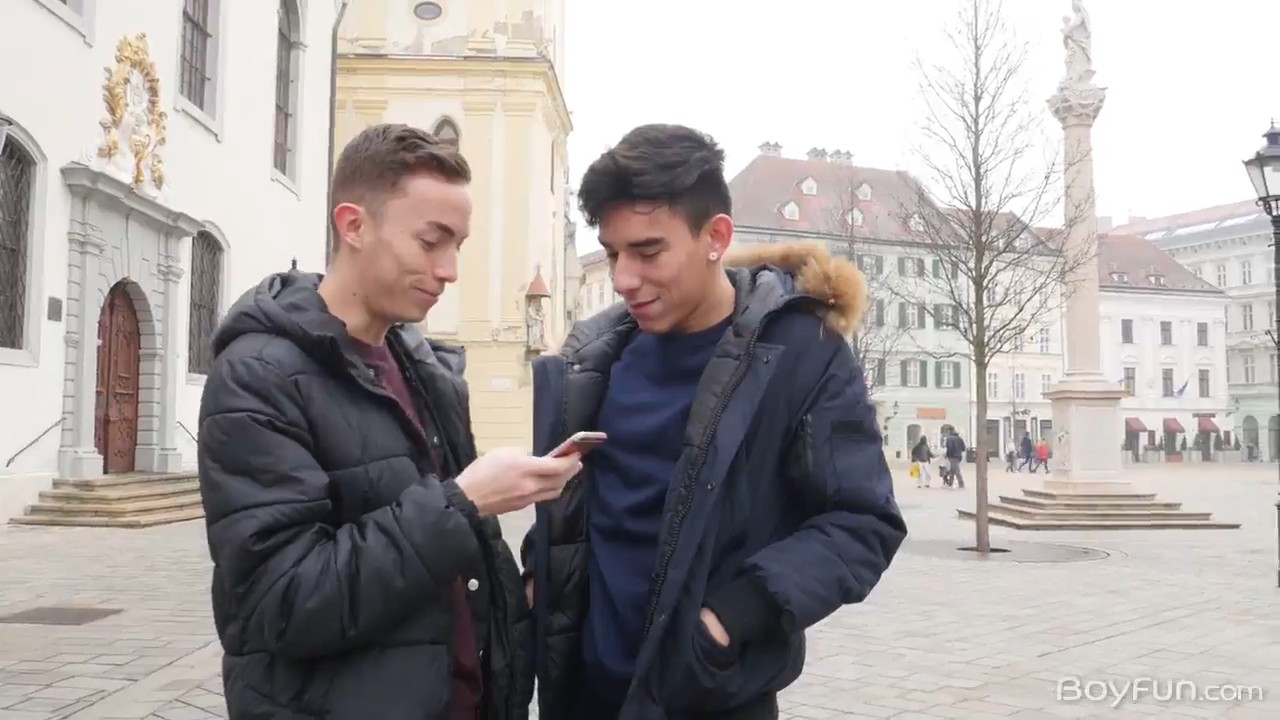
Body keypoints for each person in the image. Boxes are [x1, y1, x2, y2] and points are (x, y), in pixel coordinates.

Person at [521, 124, 907, 719]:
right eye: (614, 252)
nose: (624, 278)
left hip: (710, 695)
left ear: (716, 237)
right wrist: (536, 582)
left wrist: (730, 618)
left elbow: (863, 521)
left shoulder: (800, 352)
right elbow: (571, 509)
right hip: (583, 696)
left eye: (648, 252)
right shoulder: (590, 359)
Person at [197, 123, 579, 719]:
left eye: (459, 245)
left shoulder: (427, 369)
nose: (450, 270)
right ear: (353, 225)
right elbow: (279, 602)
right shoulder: (257, 375)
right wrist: (463, 501)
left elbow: (459, 567)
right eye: (431, 242)